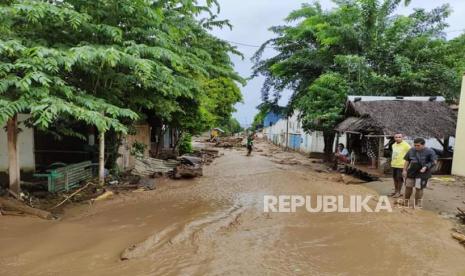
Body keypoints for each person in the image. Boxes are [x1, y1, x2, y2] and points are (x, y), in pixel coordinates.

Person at [402, 138, 437, 208]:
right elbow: (407, 161)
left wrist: (426, 167)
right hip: (411, 171)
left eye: (418, 145)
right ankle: (406, 201)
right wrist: (404, 170)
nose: (416, 147)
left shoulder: (430, 151)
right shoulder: (411, 150)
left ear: (423, 145)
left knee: (419, 188)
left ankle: (417, 204)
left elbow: (434, 162)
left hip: (423, 172)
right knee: (408, 187)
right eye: (415, 145)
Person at [390, 133, 411, 198]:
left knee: (400, 179)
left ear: (402, 137)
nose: (398, 138)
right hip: (394, 164)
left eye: (399, 137)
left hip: (402, 165)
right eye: (396, 137)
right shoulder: (393, 145)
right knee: (394, 178)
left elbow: (410, 154)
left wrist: (408, 165)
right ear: (394, 138)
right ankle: (396, 191)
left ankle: (399, 192)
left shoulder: (406, 145)